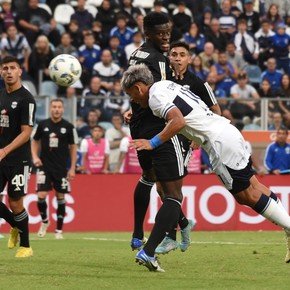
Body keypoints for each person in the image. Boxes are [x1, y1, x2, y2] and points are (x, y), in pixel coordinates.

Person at [122, 63, 290, 269]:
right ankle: (288, 228)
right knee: (253, 187)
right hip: (227, 131)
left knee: (246, 196)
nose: (133, 100)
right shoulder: (164, 85)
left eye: (132, 95)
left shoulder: (155, 98)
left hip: (219, 142)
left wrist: (152, 142)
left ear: (139, 88)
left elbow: (178, 121)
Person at [126, 12, 194, 270]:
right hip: (159, 129)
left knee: (150, 179)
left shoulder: (137, 54)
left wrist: (133, 108)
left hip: (138, 125)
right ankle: (153, 247)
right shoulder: (158, 60)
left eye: (168, 32)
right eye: (160, 33)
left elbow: (135, 89)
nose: (166, 37)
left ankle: (137, 234)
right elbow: (161, 96)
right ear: (148, 33)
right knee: (174, 195)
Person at [0, 55, 36, 258]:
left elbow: (26, 132)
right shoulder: (0, 95)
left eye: (12, 68)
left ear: (20, 71)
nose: (8, 71)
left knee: (15, 203)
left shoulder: (26, 99)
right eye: (5, 68)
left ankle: (26, 246)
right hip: (0, 156)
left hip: (18, 159)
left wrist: (5, 150)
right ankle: (16, 225)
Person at [31, 99, 78, 240]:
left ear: (63, 109)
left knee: (60, 197)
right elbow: (34, 141)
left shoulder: (69, 127)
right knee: (41, 196)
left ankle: (58, 230)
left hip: (61, 168)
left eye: (59, 107)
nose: (56, 109)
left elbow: (74, 147)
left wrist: (72, 168)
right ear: (50, 109)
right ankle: (45, 221)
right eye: (54, 107)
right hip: (44, 167)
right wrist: (34, 156)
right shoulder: (42, 125)